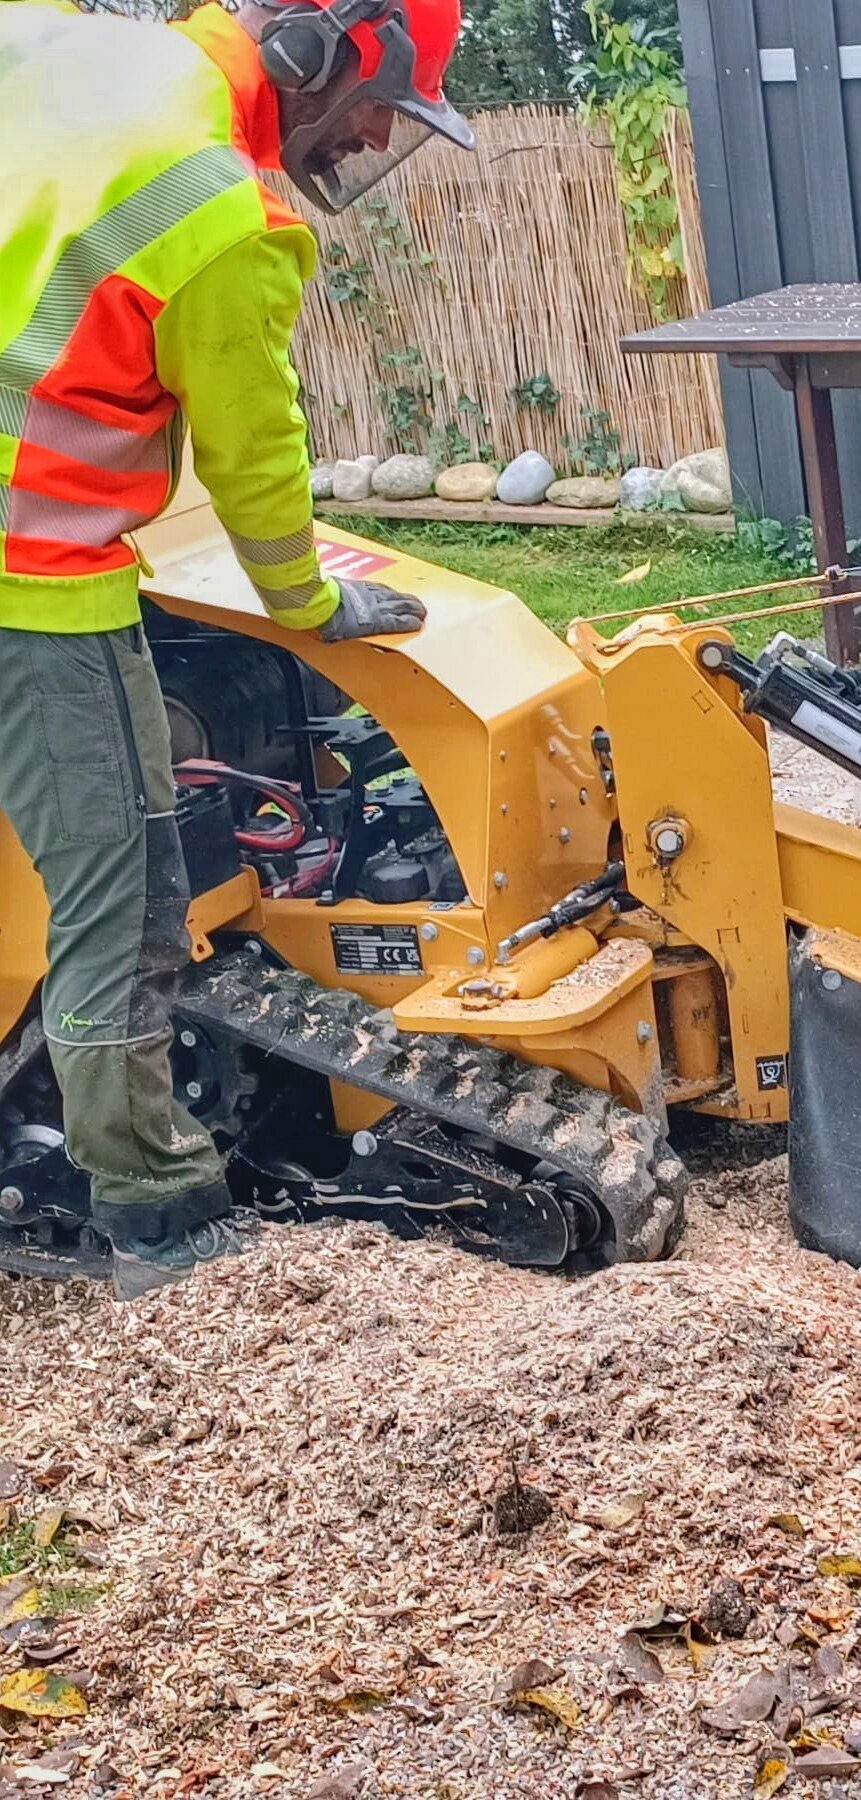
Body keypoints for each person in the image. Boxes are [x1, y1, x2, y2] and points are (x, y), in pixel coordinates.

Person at [0, 0, 473, 1296]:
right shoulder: (226, 212)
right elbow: (256, 457)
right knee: (128, 903)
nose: (374, 135)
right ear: (325, 57)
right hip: (29, 587)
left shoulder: (82, 48)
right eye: (385, 104)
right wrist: (308, 604)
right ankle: (159, 1222)